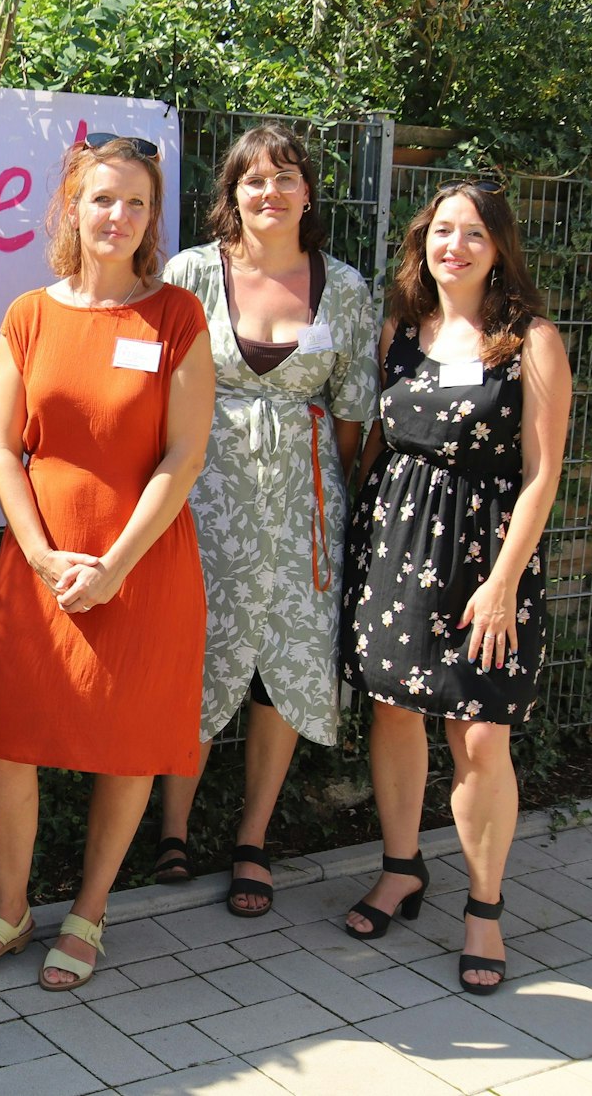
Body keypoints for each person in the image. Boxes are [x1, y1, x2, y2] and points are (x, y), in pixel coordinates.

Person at [0, 133, 213, 991]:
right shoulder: (28, 314)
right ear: (72, 207)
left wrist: (115, 567)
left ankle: (89, 913)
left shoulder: (177, 317)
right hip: (39, 569)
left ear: (152, 219)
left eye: (136, 202)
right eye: (103, 198)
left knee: (127, 747)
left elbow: (184, 456)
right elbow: (2, 446)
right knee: (8, 746)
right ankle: (10, 911)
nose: (117, 216)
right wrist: (37, 552)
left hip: (142, 567)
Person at [338, 179, 571, 996]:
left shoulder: (532, 340)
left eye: (474, 233)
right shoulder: (400, 329)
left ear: (499, 247)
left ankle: (483, 909)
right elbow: (376, 442)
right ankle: (402, 867)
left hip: (485, 559)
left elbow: (542, 474)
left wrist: (504, 582)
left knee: (478, 736)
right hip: (396, 545)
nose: (456, 246)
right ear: (423, 241)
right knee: (393, 711)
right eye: (443, 231)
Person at [153, 124, 380, 915]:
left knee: (281, 662)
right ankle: (172, 828)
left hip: (300, 508)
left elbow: (351, 414)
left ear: (308, 193)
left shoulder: (343, 287)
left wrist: (317, 487)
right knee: (194, 651)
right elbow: (155, 393)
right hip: (201, 501)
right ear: (233, 194)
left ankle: (252, 838)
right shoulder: (190, 275)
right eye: (254, 179)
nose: (271, 192)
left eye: (286, 177)